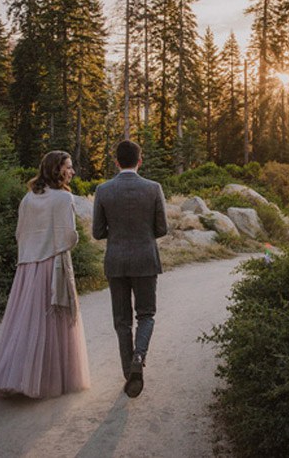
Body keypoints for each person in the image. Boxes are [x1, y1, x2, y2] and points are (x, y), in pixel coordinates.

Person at [0, 151, 91, 398]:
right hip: (52, 263)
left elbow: (19, 233)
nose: (72, 172)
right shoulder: (64, 199)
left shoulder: (28, 198)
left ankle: (16, 375)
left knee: (25, 321)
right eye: (69, 167)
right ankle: (48, 379)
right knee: (53, 320)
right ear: (57, 170)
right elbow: (68, 236)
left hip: (27, 266)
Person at [92, 140, 168, 398]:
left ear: (116, 162)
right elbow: (162, 229)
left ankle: (129, 372)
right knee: (146, 314)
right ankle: (139, 356)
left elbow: (97, 232)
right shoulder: (154, 188)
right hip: (146, 260)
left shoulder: (103, 190)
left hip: (116, 261)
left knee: (122, 320)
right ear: (140, 160)